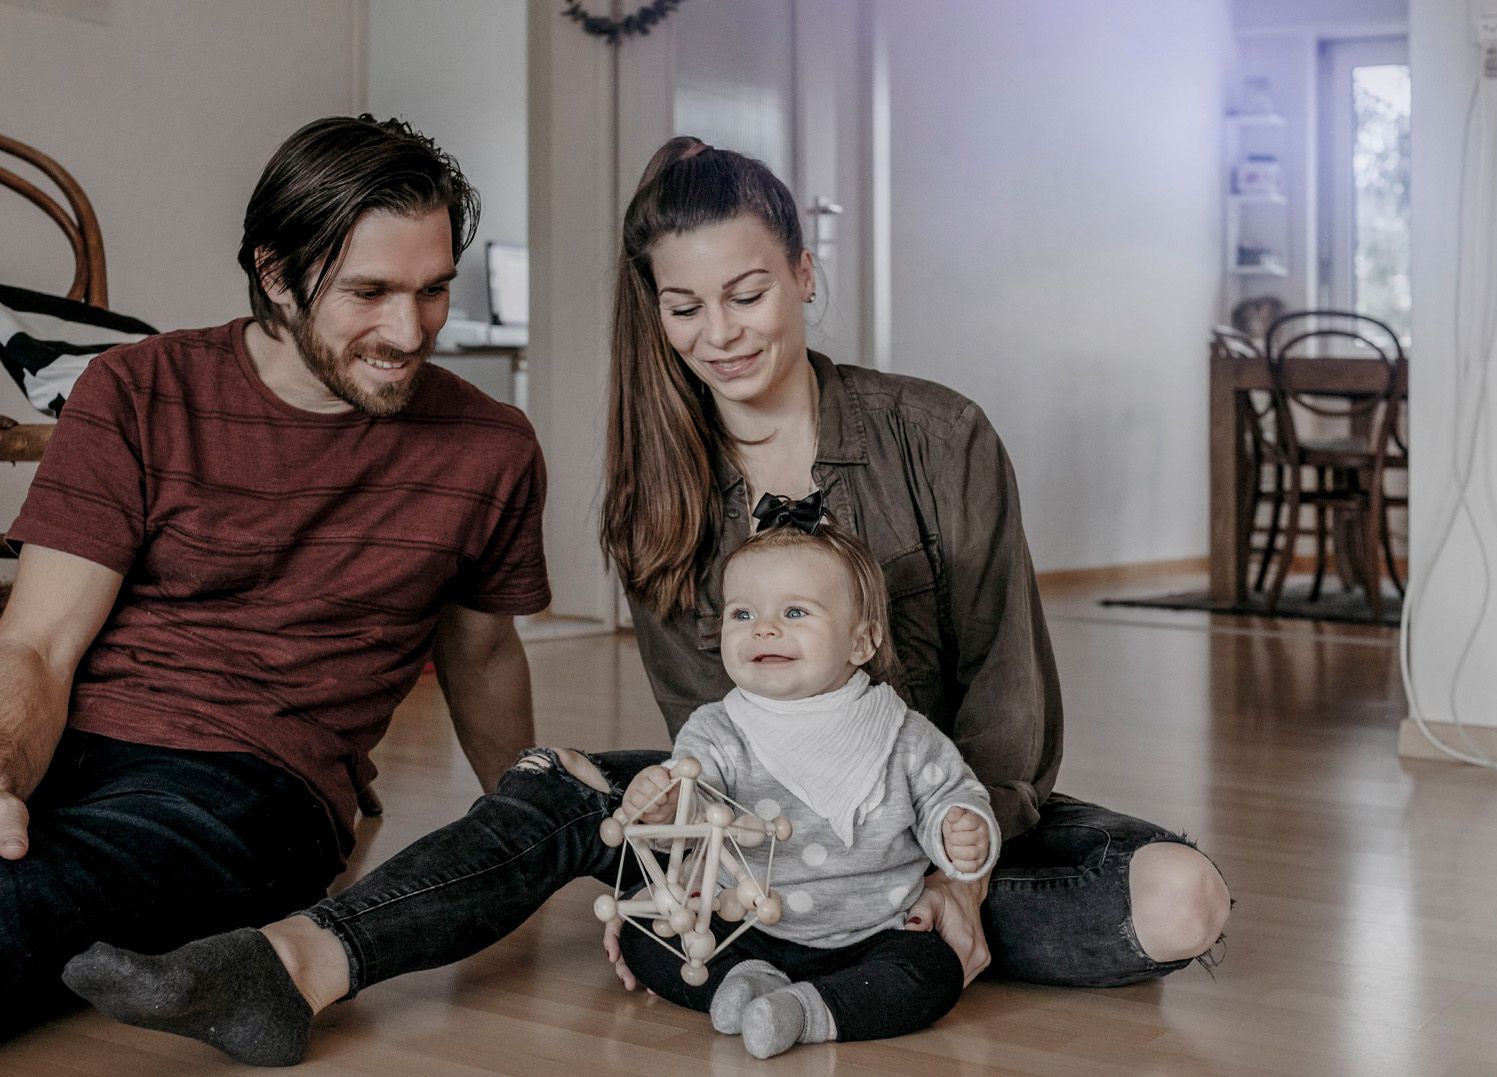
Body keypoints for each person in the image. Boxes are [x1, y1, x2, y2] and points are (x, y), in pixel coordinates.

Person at [61, 136, 1231, 1066]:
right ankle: (293, 966)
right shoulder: (653, 500)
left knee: (1179, 903)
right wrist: (678, 869)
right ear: (656, 311)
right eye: (686, 307)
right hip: (760, 826)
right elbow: (706, 736)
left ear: (804, 274)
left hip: (945, 814)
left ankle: (861, 942)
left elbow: (1011, 698)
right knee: (553, 790)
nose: (720, 334)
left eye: (749, 293)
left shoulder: (940, 435)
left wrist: (953, 872)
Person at [0, 114, 549, 1036]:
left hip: (247, 783)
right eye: (368, 291)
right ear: (277, 273)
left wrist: (523, 829)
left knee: (31, 902)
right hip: (74, 737)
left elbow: (484, 653)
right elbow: (38, 644)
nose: (408, 331)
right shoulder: (137, 390)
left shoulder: (488, 447)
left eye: (433, 291)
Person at [607, 514, 999, 1058]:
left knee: (933, 972)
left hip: (873, 934)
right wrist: (663, 802)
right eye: (742, 613)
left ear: (861, 642)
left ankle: (808, 1010)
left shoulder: (902, 732)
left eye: (794, 612)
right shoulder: (717, 729)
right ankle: (744, 982)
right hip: (740, 927)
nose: (763, 628)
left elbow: (947, 797)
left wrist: (959, 828)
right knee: (641, 930)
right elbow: (694, 807)